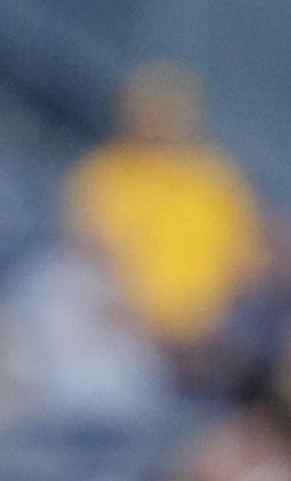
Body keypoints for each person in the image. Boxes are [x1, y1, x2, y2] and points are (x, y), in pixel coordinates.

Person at [58, 64, 269, 371]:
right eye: (150, 109)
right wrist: (151, 321)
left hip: (212, 333)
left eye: (170, 108)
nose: (161, 119)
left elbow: (248, 259)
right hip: (132, 334)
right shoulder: (101, 175)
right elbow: (92, 261)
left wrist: (216, 317)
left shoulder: (216, 175)